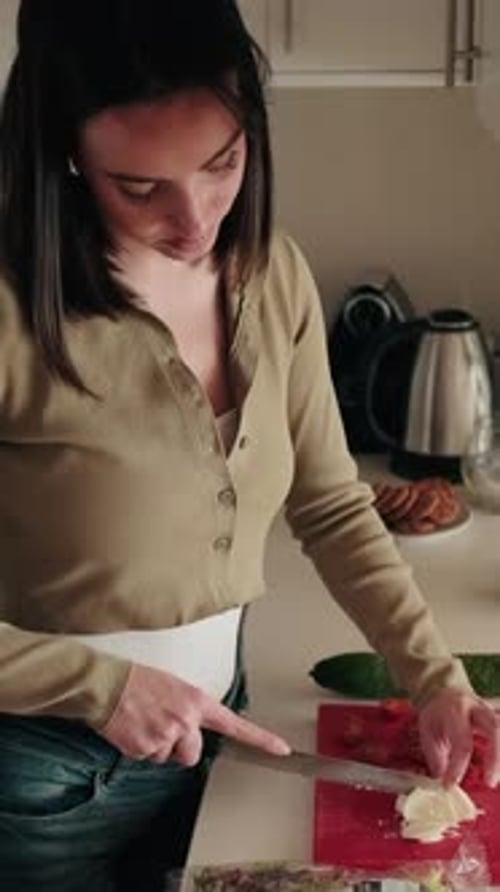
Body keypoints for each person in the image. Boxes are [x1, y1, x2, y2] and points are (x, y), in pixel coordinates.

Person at [0, 1, 498, 889]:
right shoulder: (13, 312)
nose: (196, 221)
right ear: (64, 157)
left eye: (223, 164)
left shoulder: (273, 273)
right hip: (42, 776)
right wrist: (97, 685)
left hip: (220, 736)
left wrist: (435, 679)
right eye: (139, 187)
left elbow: (331, 502)